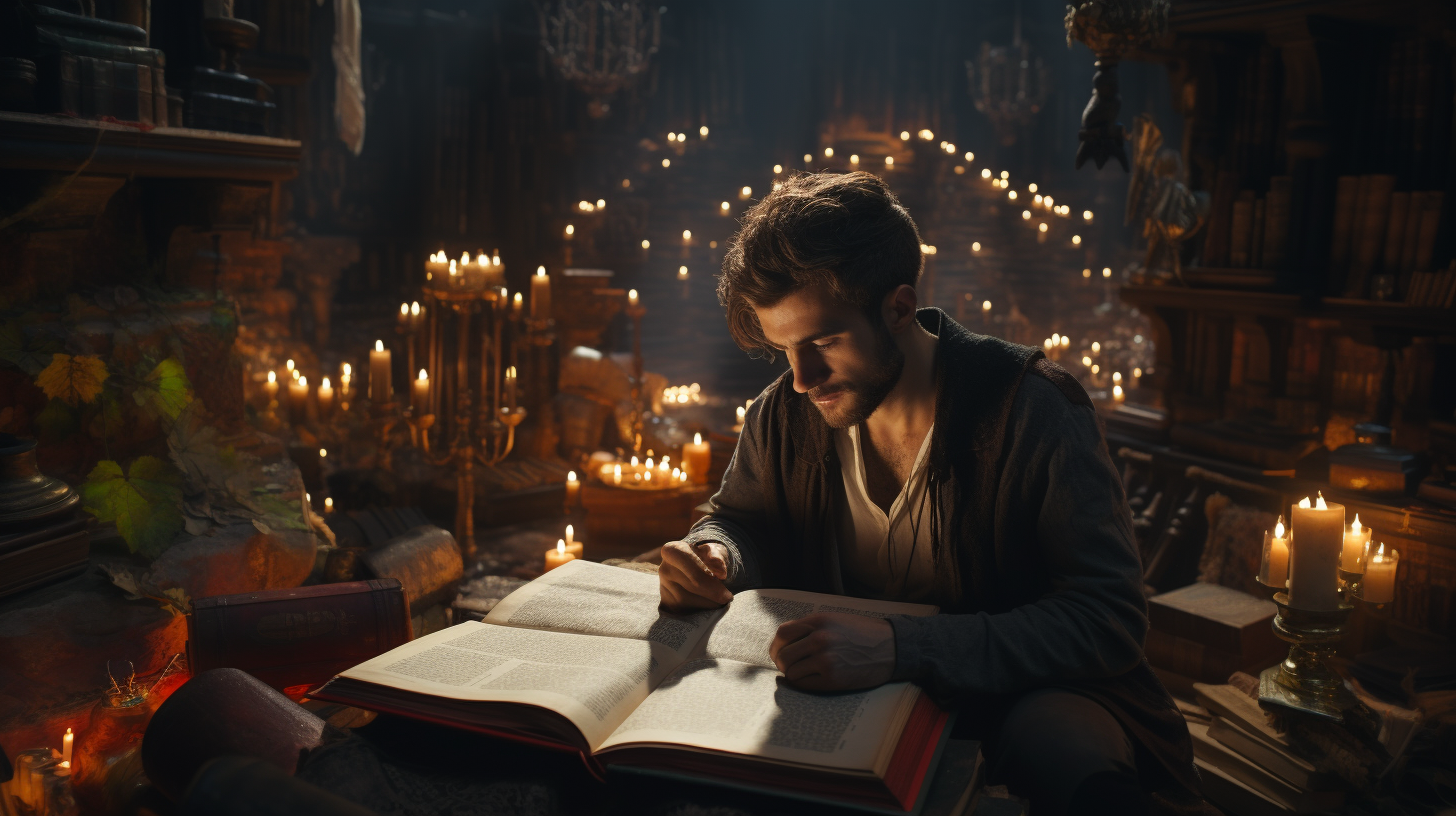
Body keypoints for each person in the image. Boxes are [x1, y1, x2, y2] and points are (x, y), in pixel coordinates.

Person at [657, 172, 1212, 816]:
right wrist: (714, 552)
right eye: (784, 349)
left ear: (898, 307)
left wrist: (901, 647)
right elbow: (740, 520)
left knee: (1064, 754)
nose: (803, 378)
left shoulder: (1032, 409)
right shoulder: (784, 412)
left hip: (1018, 697)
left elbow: (1107, 620)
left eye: (824, 343)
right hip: (840, 706)